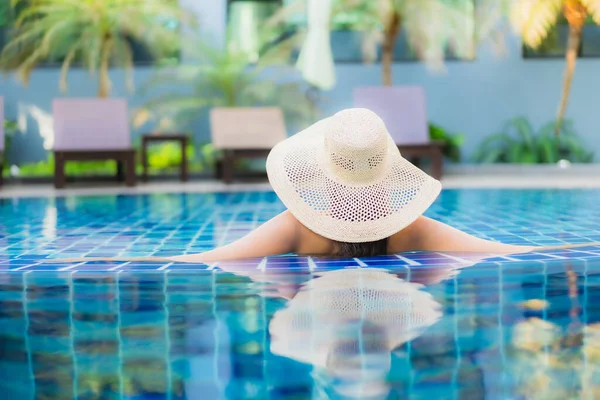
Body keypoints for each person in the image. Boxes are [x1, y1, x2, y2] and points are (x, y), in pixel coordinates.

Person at [53, 108, 598, 264]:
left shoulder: (295, 230)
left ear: (322, 171)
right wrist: (577, 246)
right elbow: (502, 250)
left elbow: (212, 259)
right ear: (386, 173)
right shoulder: (409, 232)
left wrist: (117, 256)